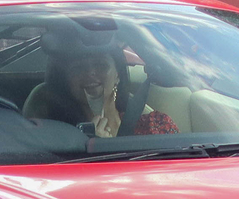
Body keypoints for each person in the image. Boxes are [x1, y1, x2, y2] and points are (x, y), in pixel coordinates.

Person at [32, 46, 179, 138]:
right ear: (67, 82)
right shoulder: (59, 138)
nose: (90, 73)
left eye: (101, 65)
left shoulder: (156, 126)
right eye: (78, 68)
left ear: (118, 75)